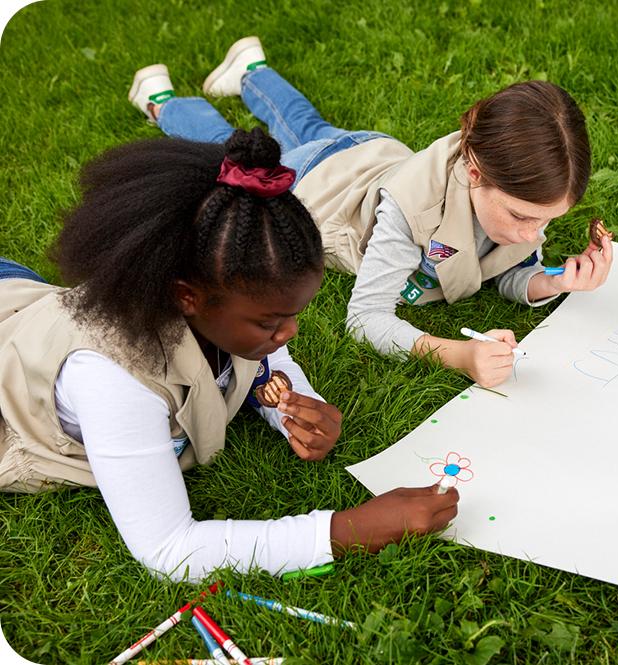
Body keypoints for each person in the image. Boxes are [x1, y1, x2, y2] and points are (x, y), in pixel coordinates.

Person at [0, 128, 458, 581]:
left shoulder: (219, 296)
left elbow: (261, 362)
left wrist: (293, 406)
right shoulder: (112, 380)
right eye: (270, 322)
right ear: (187, 297)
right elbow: (169, 549)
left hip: (29, 300)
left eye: (292, 315)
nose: (290, 333)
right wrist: (350, 529)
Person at [128, 36, 612, 389]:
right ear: (476, 171)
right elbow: (365, 318)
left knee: (308, 124)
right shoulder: (411, 211)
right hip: (315, 183)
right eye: (524, 218)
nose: (535, 233)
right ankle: (162, 101)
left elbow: (501, 271)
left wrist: (554, 282)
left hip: (369, 153)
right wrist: (458, 354)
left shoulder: (514, 194)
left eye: (547, 220)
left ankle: (252, 71)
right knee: (227, 152)